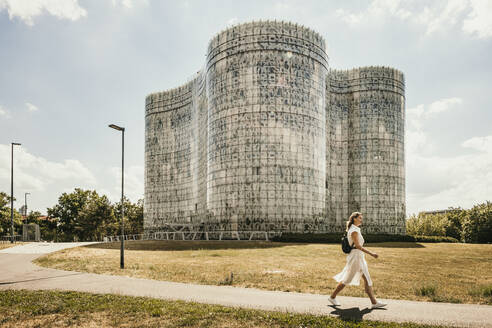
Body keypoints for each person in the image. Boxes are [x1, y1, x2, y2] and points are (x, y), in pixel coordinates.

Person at [328, 211, 387, 309]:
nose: (361, 220)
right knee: (348, 279)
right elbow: (358, 246)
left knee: (366, 278)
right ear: (354, 218)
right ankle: (332, 297)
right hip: (356, 257)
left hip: (358, 256)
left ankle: (374, 302)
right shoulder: (354, 230)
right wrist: (372, 253)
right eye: (360, 218)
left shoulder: (354, 229)